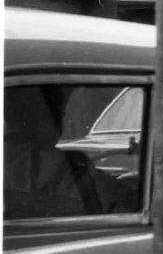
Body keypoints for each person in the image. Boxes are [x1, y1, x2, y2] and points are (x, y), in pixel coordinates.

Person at [3, 86, 127, 219]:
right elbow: (106, 200)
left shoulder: (14, 156)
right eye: (58, 112)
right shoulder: (44, 162)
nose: (63, 120)